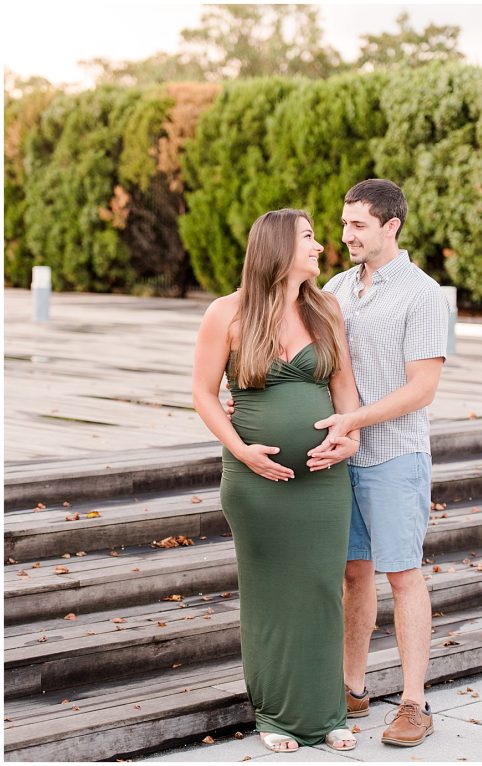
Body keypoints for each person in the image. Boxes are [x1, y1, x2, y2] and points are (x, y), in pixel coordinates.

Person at [192, 209, 361, 753]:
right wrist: (240, 450)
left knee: (321, 590)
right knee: (268, 596)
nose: (320, 246)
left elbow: (346, 395)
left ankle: (327, 714)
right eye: (309, 237)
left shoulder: (327, 308)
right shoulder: (228, 313)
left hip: (324, 481)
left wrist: (349, 438)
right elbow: (202, 393)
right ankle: (275, 716)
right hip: (255, 484)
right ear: (278, 247)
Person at [308, 179, 451, 747]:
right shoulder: (338, 288)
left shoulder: (423, 294)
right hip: (342, 460)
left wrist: (353, 422)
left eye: (358, 226)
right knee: (353, 573)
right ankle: (352, 688)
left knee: (402, 574)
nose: (346, 236)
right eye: (343, 225)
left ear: (392, 226)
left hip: (395, 457)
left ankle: (415, 703)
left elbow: (423, 389)